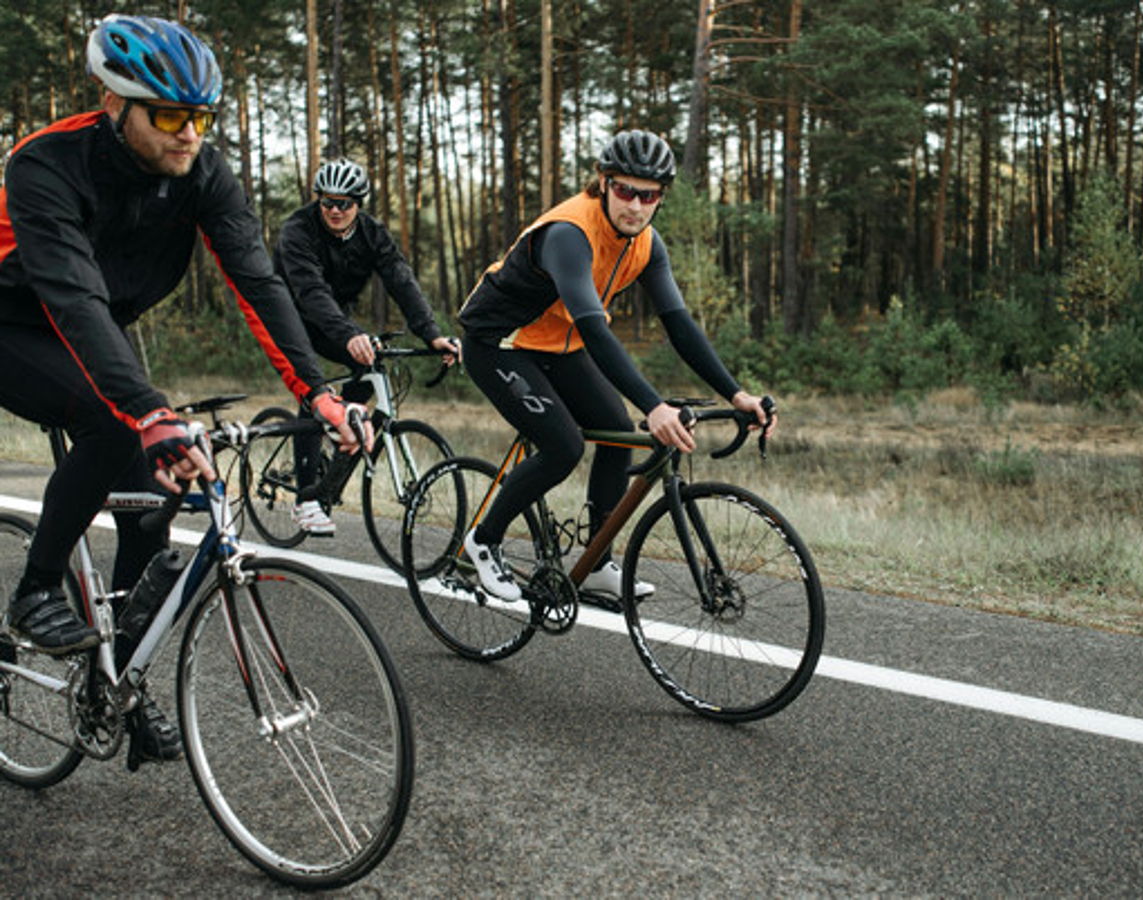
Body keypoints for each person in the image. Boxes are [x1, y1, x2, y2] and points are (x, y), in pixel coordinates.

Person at [0, 14, 369, 765]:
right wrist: (148, 411)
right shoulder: (44, 165)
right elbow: (72, 297)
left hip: (97, 332)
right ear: (113, 103)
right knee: (114, 426)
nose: (189, 134)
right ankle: (35, 590)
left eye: (201, 116)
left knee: (153, 509)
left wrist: (318, 394)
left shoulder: (202, 173)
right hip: (15, 322)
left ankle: (119, 688)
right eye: (170, 115)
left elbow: (257, 281)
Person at [457, 129, 775, 606]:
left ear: (660, 198)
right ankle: (483, 540)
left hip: (558, 345)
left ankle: (595, 560)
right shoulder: (569, 233)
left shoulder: (647, 243)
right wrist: (654, 404)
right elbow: (596, 330)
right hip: (498, 343)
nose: (636, 206)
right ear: (602, 183)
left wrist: (737, 395)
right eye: (625, 190)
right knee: (562, 445)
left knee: (613, 431)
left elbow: (680, 326)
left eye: (649, 196)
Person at [273, 158, 459, 535]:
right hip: (288, 314)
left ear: (359, 203)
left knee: (371, 364)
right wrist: (348, 335)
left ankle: (339, 438)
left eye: (345, 203)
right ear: (318, 201)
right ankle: (306, 500)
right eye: (327, 202)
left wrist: (432, 334)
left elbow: (401, 280)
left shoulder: (372, 233)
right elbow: (310, 292)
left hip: (331, 318)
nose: (335, 210)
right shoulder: (297, 231)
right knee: (314, 389)